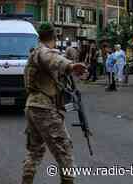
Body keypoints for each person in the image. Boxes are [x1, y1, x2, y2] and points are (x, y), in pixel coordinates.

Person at [22, 23, 86, 184]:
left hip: (33, 105)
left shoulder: (35, 53)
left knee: (34, 151)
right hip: (43, 107)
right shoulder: (43, 51)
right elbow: (53, 59)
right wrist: (70, 66)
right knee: (64, 150)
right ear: (55, 37)